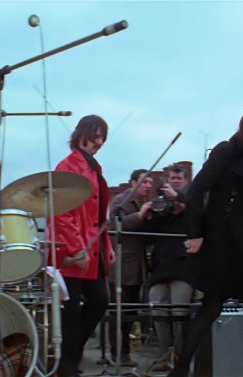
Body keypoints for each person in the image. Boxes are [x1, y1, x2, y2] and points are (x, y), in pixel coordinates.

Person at [168, 105, 243, 377]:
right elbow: (196, 189)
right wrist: (196, 234)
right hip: (222, 240)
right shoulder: (226, 151)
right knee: (212, 307)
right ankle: (181, 369)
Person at [48, 115, 114, 377]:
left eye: (102, 138)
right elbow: (62, 214)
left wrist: (106, 246)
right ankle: (67, 366)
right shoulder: (67, 167)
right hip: (71, 252)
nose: (98, 142)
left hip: (93, 249)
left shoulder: (95, 168)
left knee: (99, 301)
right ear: (80, 135)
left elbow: (100, 215)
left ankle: (71, 358)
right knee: (71, 312)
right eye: (94, 135)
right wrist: (77, 249)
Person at [146, 164, 193, 371]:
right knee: (158, 312)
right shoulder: (161, 204)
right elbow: (150, 230)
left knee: (179, 314)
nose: (175, 181)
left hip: (182, 265)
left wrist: (177, 198)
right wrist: (150, 211)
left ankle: (181, 359)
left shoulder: (191, 200)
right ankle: (166, 355)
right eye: (172, 178)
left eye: (178, 178)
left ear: (185, 181)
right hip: (160, 266)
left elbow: (198, 216)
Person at [108, 168, 153, 366]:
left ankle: (123, 353)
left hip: (137, 267)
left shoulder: (143, 202)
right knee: (120, 313)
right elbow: (115, 224)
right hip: (122, 268)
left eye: (150, 183)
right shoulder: (122, 200)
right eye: (144, 182)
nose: (148, 186)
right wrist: (140, 215)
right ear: (133, 182)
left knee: (131, 313)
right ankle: (118, 354)